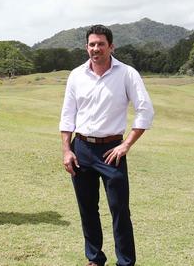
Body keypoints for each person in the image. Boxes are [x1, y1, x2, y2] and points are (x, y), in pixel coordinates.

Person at [60, 25, 154, 266]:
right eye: (92, 44)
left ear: (111, 46)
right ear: (86, 47)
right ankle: (94, 258)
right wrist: (67, 150)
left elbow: (145, 111)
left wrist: (126, 145)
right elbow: (67, 115)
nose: (96, 48)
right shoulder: (76, 75)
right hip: (81, 148)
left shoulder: (127, 74)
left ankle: (125, 262)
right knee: (87, 209)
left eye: (101, 44)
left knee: (119, 210)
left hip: (112, 150)